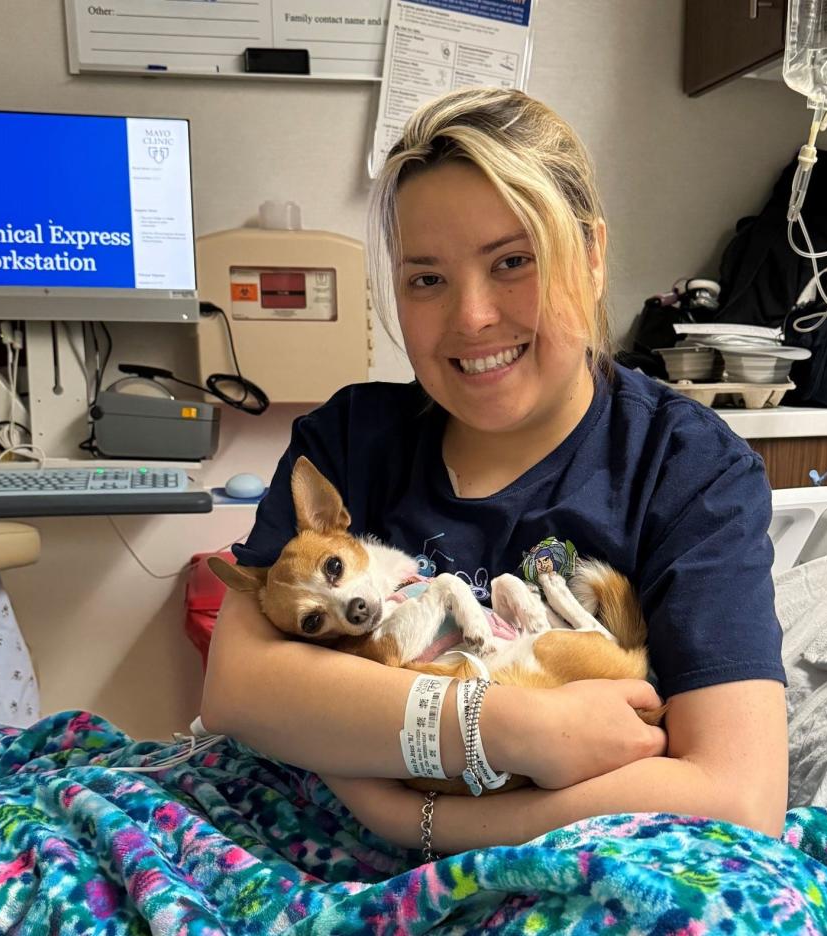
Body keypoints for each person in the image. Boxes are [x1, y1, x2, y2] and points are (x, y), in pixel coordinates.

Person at [201, 87, 788, 857]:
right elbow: (240, 690)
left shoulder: (688, 472)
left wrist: (425, 816)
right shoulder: (349, 439)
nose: (471, 316)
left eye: (513, 262)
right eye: (426, 279)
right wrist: (512, 728)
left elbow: (738, 798)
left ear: (592, 254)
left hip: (583, 870)